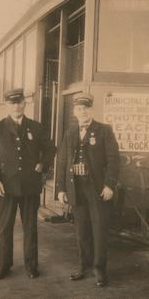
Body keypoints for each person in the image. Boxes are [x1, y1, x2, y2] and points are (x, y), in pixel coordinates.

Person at [0, 88, 55, 280]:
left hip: (29, 186)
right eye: (12, 102)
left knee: (30, 227)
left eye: (19, 102)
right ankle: (4, 265)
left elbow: (51, 149)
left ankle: (31, 265)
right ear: (6, 105)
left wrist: (44, 164)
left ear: (25, 103)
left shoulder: (36, 127)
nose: (16, 106)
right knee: (5, 228)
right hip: (5, 187)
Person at [55, 92, 119, 288]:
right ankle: (84, 266)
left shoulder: (104, 130)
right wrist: (61, 188)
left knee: (99, 229)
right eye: (79, 109)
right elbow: (63, 161)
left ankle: (99, 270)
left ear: (91, 110)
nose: (82, 112)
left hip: (97, 188)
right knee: (81, 230)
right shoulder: (70, 133)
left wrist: (109, 185)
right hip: (76, 188)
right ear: (74, 111)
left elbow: (113, 160)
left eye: (85, 108)